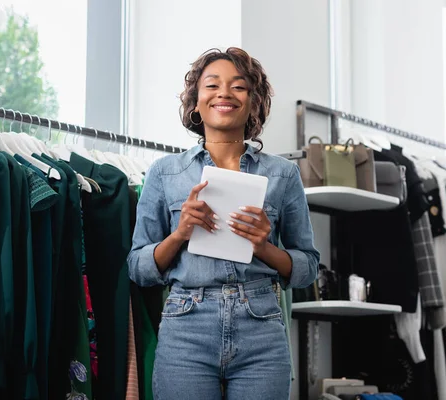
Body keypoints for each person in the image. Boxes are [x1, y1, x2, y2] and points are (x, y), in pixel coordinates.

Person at [127, 47, 320, 399]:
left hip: (261, 327)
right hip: (186, 327)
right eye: (212, 85)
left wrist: (265, 247)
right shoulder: (165, 172)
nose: (225, 94)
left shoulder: (283, 174)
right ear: (196, 103)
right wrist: (180, 234)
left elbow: (308, 268)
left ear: (254, 103)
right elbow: (138, 268)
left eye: (240, 86)